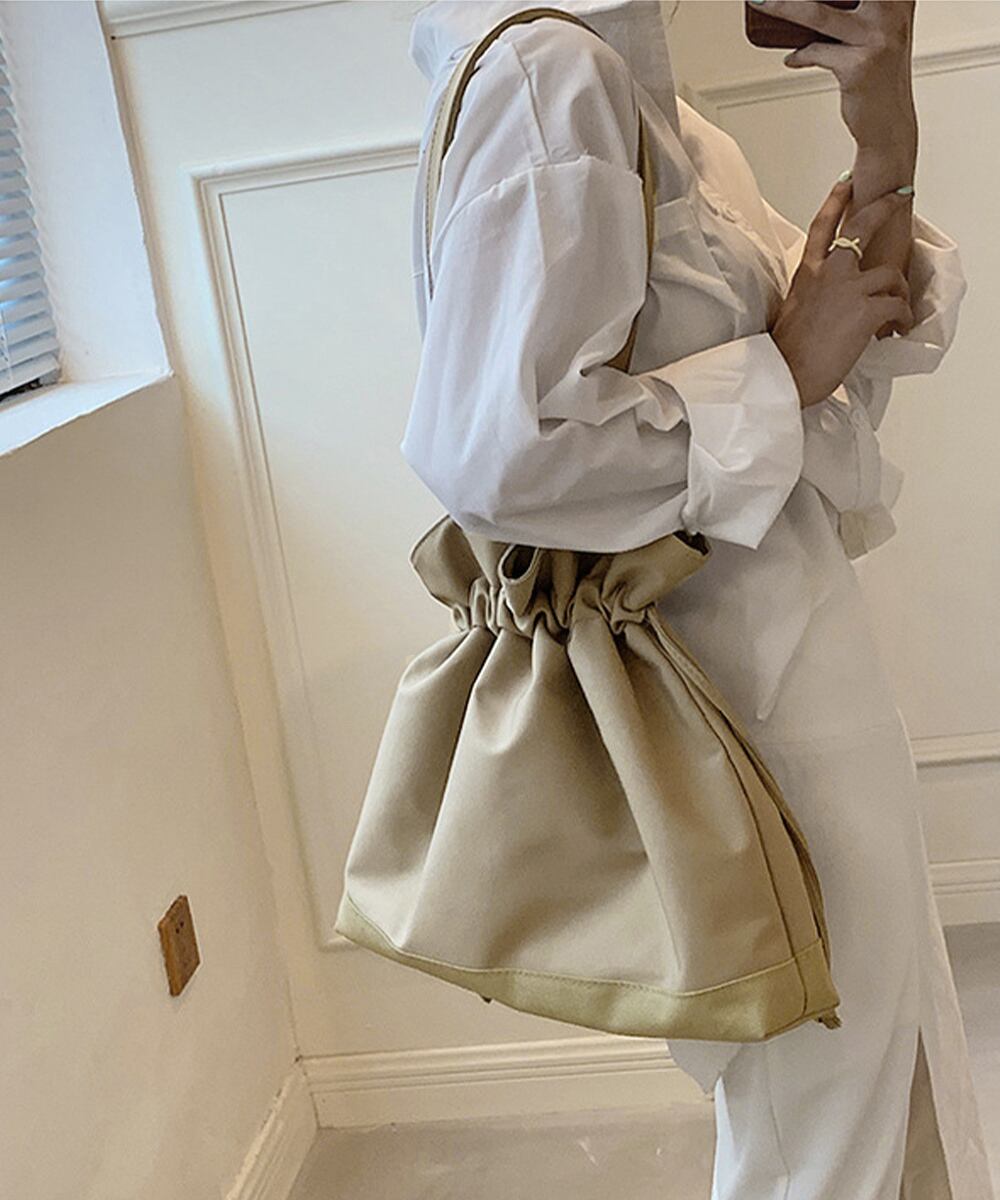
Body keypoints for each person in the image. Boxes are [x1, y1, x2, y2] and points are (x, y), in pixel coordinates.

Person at [404, 1, 994, 1196]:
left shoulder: (660, 109)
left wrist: (884, 138)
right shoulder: (550, 75)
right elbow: (494, 451)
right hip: (732, 698)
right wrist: (776, 372)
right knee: (819, 1117)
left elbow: (845, 345)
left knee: (877, 1062)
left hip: (788, 655)